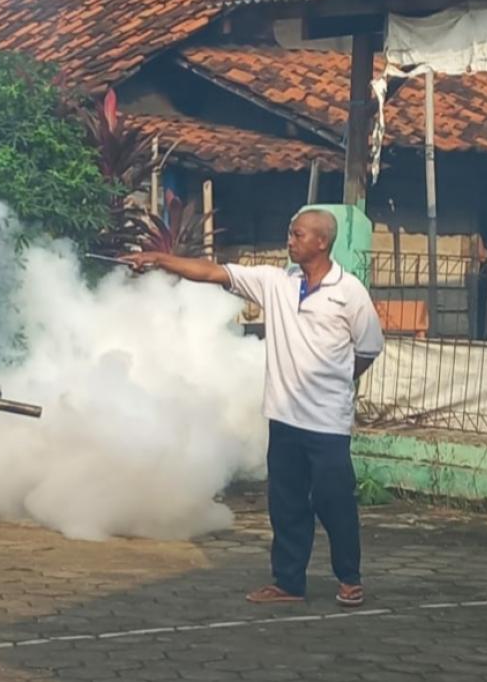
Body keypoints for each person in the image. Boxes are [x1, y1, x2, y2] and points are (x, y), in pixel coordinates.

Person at [123, 209, 383, 607]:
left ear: (321, 242)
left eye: (297, 235)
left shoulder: (349, 292)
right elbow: (212, 272)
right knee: (286, 505)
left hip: (328, 423)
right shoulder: (275, 282)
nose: (289, 241)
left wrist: (336, 379)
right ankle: (288, 583)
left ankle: (349, 578)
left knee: (335, 502)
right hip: (284, 418)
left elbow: (369, 347)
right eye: (290, 233)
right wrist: (159, 260)